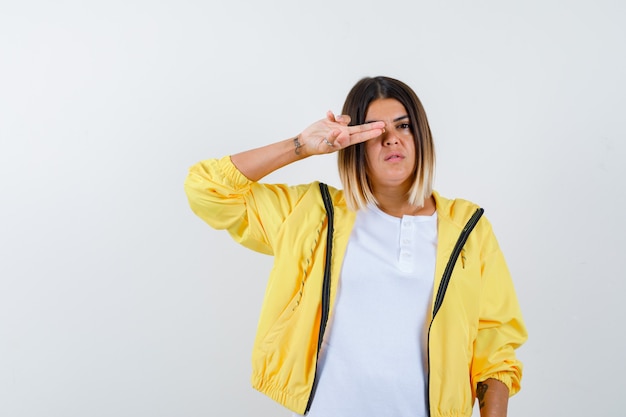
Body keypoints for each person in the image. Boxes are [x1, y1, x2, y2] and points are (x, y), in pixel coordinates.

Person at [184, 76, 527, 417]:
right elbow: (205, 188)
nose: (392, 140)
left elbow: (495, 342)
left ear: (421, 136)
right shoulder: (314, 214)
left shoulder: (468, 228)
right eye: (376, 131)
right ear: (353, 143)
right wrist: (301, 145)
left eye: (404, 126)